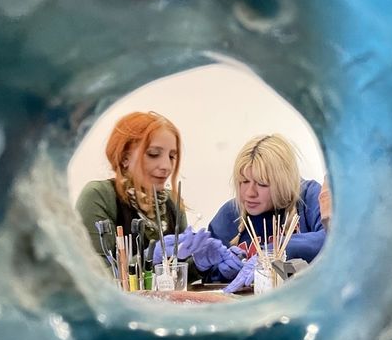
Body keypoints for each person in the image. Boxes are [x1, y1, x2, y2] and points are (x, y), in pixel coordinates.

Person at [207, 134, 327, 292]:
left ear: (283, 183)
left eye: (262, 184)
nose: (250, 193)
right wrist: (220, 270)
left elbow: (332, 239)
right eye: (244, 182)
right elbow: (210, 277)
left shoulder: (308, 197)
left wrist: (272, 252)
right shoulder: (231, 213)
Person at [75, 111, 188, 267]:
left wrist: (201, 264)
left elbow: (182, 271)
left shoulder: (173, 203)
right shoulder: (99, 196)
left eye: (172, 156)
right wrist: (147, 259)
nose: (166, 166)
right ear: (124, 158)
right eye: (153, 154)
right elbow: (94, 276)